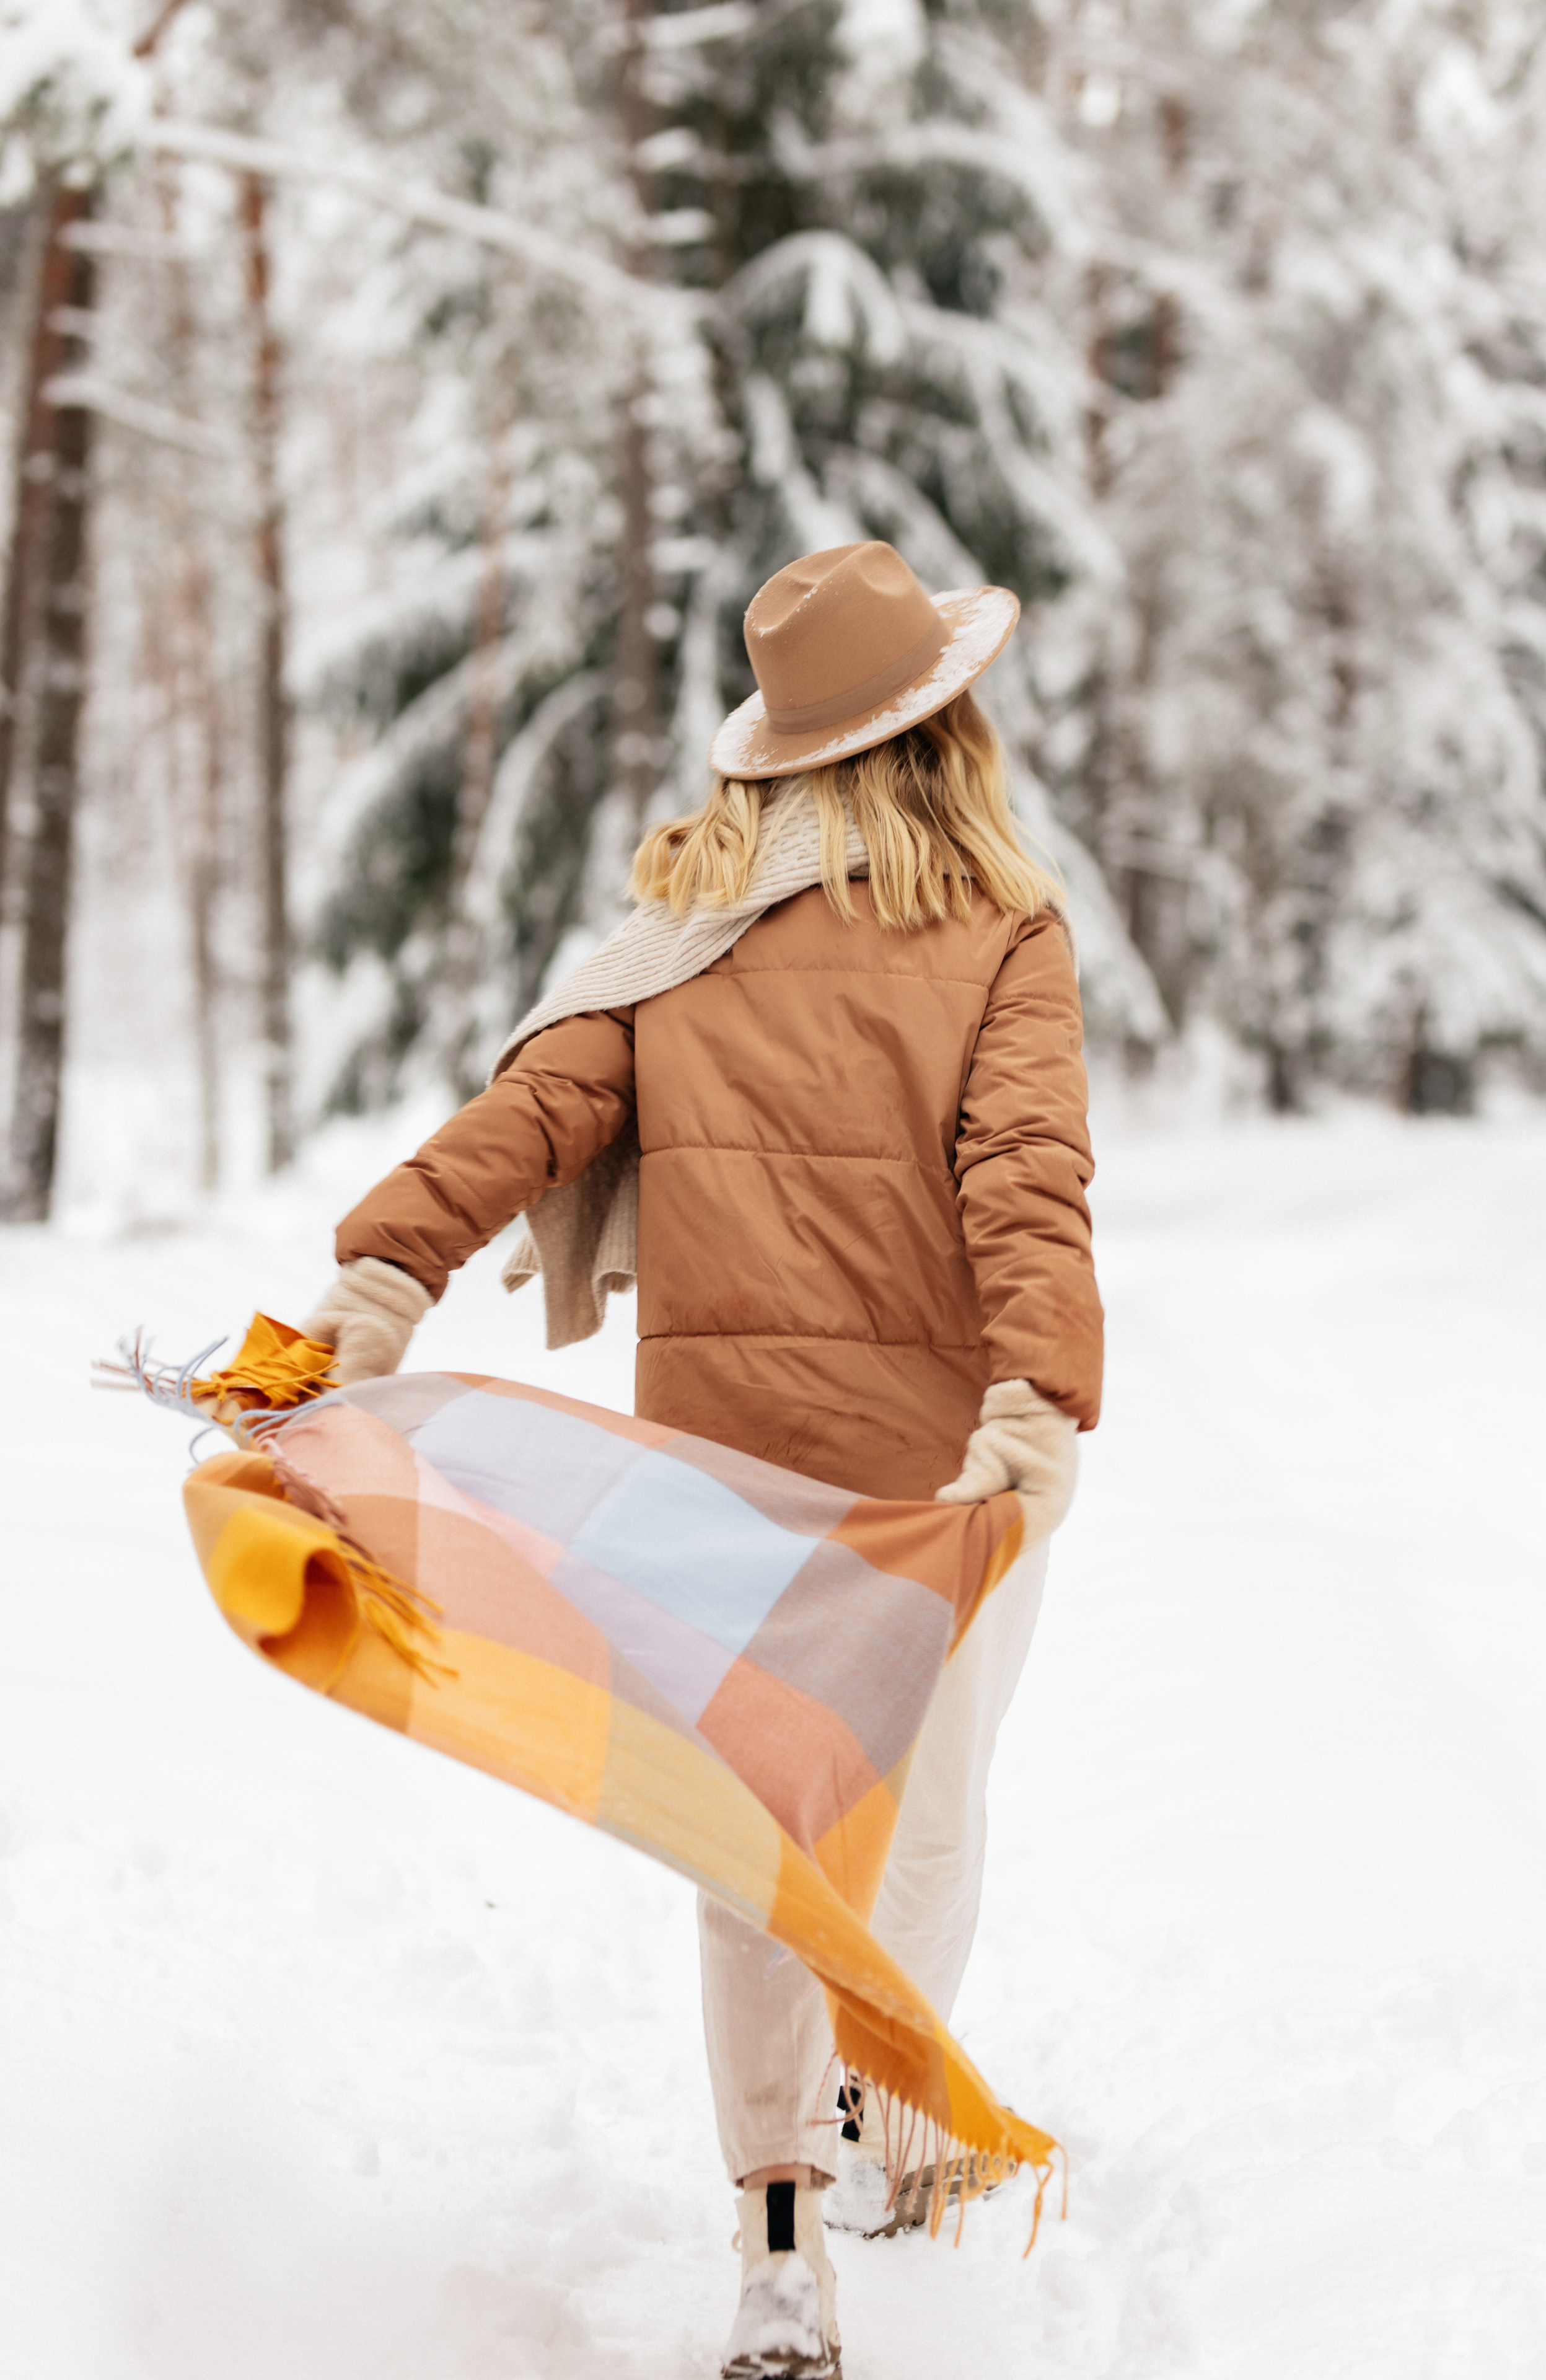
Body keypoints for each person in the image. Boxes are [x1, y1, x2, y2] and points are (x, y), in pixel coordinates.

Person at [302, 540, 1103, 2380]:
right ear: (946, 726)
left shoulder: (685, 922)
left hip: (716, 1478)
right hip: (937, 1479)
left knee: (755, 1845)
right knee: (927, 1824)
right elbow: (1025, 1184)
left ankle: (773, 2244)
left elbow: (533, 1112)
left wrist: (384, 1268)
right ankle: (895, 2140)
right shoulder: (1006, 929)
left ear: (774, 748)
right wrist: (1036, 1401)